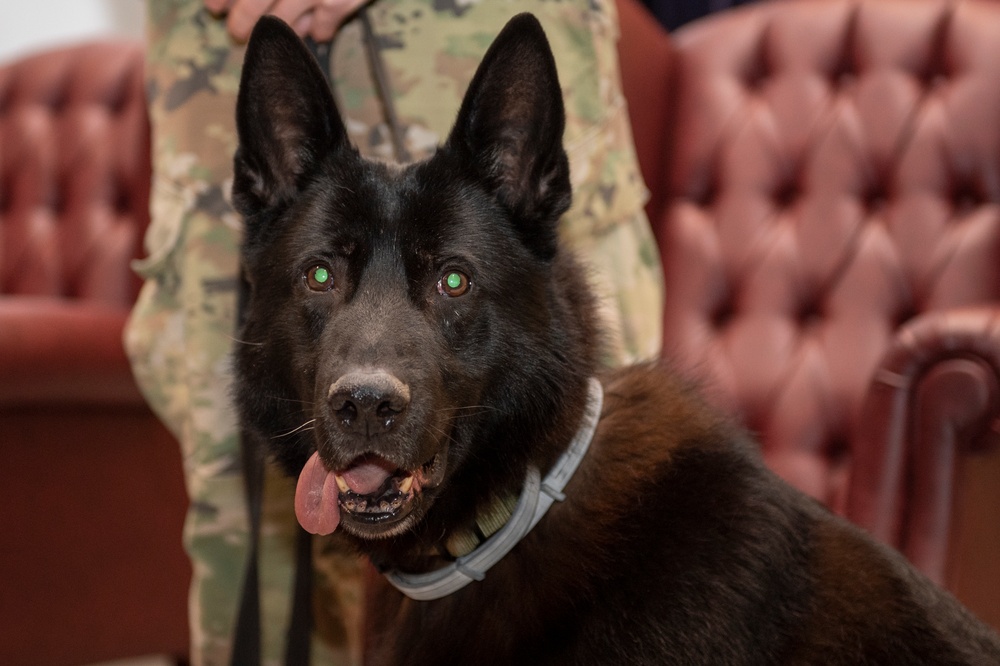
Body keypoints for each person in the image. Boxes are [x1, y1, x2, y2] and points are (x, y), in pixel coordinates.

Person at [124, 0, 663, 663]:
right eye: (324, 278)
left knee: (586, 528)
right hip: (219, 41)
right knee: (258, 573)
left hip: (458, 23)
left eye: (452, 282)